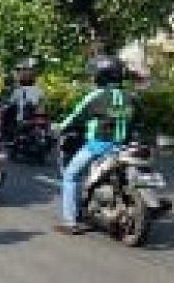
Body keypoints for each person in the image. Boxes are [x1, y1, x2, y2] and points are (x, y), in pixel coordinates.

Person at [54, 55, 132, 235]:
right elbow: (134, 119)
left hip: (99, 145)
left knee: (70, 175)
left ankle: (70, 222)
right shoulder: (130, 97)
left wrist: (60, 128)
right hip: (124, 146)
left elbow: (76, 117)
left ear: (101, 75)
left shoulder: (96, 96)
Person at [4, 58, 44, 139]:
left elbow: (40, 112)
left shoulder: (38, 92)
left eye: (27, 70)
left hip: (30, 129)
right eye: (22, 70)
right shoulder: (13, 91)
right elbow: (5, 109)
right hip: (13, 129)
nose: (24, 73)